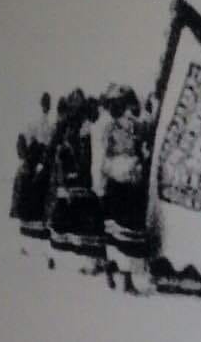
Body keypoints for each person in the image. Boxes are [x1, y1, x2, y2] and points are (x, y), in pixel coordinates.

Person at [100, 84, 153, 295]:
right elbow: (106, 155)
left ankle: (123, 275)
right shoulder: (111, 129)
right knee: (118, 231)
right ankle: (117, 273)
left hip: (129, 183)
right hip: (119, 183)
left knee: (127, 232)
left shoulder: (135, 127)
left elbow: (141, 149)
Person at [46, 89, 106, 273]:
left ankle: (60, 257)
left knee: (68, 219)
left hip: (70, 180)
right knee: (85, 221)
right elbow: (85, 155)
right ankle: (92, 261)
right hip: (78, 180)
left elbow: (56, 152)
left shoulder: (66, 126)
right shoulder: (79, 127)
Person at [11, 92, 55, 249]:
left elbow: (51, 143)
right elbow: (22, 140)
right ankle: (29, 227)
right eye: (44, 102)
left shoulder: (51, 122)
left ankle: (41, 225)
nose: (46, 105)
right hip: (34, 158)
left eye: (48, 102)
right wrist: (27, 158)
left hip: (44, 159)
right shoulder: (33, 121)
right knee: (30, 188)